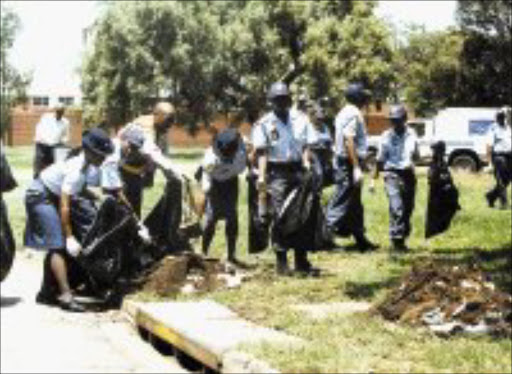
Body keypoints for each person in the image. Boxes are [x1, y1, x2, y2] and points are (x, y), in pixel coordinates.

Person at [24, 128, 114, 312]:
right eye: (100, 155)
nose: (103, 159)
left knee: (58, 244)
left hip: (51, 195)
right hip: (40, 196)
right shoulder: (75, 169)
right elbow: (65, 205)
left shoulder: (85, 166)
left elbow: (78, 189)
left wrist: (98, 198)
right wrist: (70, 236)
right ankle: (65, 295)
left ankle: (46, 293)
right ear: (89, 151)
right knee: (58, 244)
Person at [252, 81, 319, 276]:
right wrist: (262, 177)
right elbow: (262, 152)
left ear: (289, 100)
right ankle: (281, 261)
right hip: (277, 173)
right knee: (280, 215)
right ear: (271, 102)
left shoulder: (301, 119)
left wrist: (307, 161)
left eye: (285, 100)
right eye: (277, 100)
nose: (282, 104)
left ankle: (301, 259)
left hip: (299, 171)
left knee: (302, 214)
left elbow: (307, 144)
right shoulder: (264, 124)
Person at [323, 82, 377, 251]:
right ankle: (324, 239)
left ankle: (360, 238)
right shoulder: (353, 113)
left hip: (347, 161)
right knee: (341, 200)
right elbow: (349, 141)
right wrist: (355, 167)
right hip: (347, 163)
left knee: (354, 204)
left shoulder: (344, 112)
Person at [109, 102, 183, 217]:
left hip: (135, 171)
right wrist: (173, 170)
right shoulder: (144, 127)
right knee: (125, 209)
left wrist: (171, 175)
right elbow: (152, 151)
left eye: (171, 122)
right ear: (157, 116)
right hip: (123, 171)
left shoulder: (159, 126)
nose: (169, 126)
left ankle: (132, 231)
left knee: (135, 210)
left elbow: (162, 151)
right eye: (168, 122)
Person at [372, 104, 419, 251]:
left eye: (398, 120)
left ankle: (403, 234)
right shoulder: (386, 136)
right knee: (396, 206)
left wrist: (413, 161)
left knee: (408, 208)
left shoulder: (412, 134)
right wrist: (373, 180)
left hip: (408, 174)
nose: (395, 123)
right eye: (392, 120)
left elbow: (416, 155)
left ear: (404, 119)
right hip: (391, 174)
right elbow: (379, 159)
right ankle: (397, 239)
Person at [200, 128, 247, 265]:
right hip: (214, 184)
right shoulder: (210, 158)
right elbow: (206, 174)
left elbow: (245, 163)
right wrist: (206, 188)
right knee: (211, 218)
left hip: (231, 183)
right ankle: (204, 252)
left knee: (232, 217)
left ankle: (231, 255)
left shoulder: (240, 154)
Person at [33, 102, 70, 177]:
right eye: (58, 111)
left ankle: (49, 182)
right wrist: (40, 139)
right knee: (39, 165)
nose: (59, 113)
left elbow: (65, 135)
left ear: (63, 112)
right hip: (42, 144)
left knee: (51, 166)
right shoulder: (46, 117)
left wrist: (63, 142)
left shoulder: (65, 122)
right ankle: (36, 180)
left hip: (54, 146)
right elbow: (39, 129)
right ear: (54, 110)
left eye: (61, 112)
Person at [485, 106, 511, 209]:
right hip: (499, 157)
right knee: (501, 180)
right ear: (497, 118)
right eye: (501, 117)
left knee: (507, 180)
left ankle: (490, 196)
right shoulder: (493, 128)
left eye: (504, 116)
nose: (503, 119)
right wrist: (489, 163)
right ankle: (504, 204)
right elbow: (489, 146)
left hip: (510, 156)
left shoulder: (509, 128)